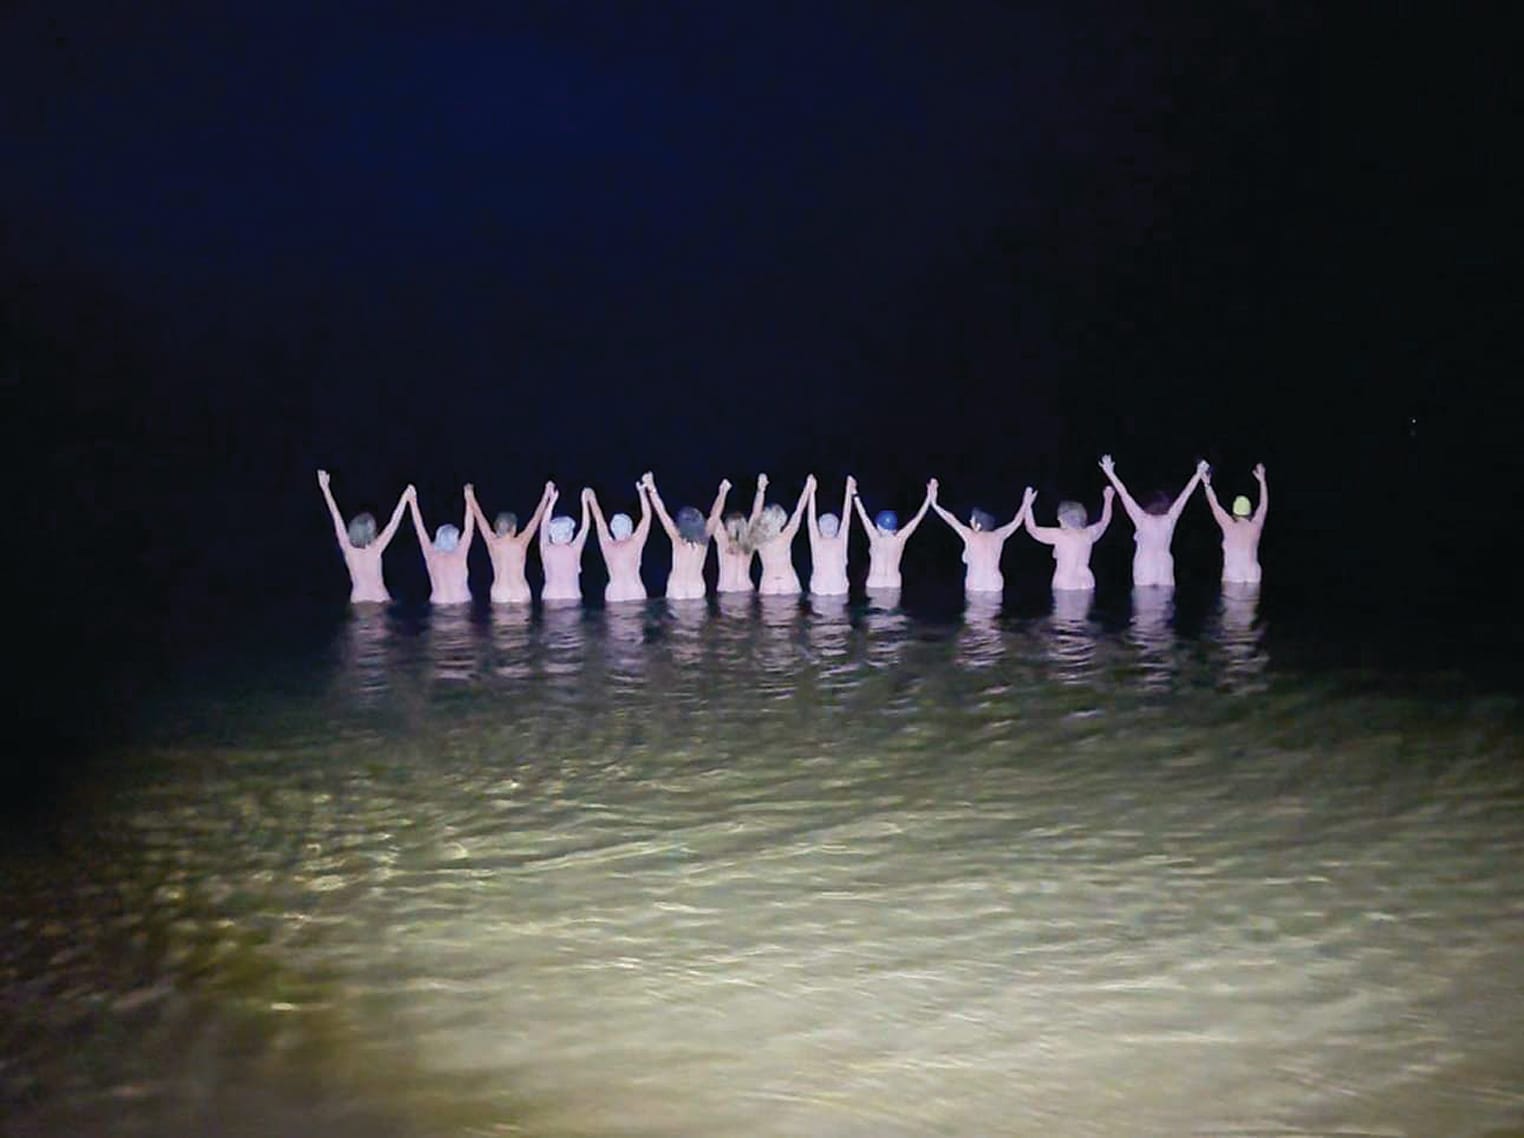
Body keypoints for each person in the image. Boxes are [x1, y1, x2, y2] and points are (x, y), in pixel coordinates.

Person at [1098, 455, 1207, 587]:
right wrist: (1199, 473)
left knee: (1144, 604)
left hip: (1144, 568)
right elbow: (1186, 494)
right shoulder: (1170, 520)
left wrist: (1110, 472)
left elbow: (1124, 494)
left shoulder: (1142, 520)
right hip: (1164, 568)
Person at [316, 470, 412, 604]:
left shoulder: (347, 549)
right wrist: (405, 498)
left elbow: (335, 515)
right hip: (380, 599)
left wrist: (325, 488)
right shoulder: (376, 549)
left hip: (358, 600)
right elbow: (393, 523)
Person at [932, 485, 1035, 595]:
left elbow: (951, 519)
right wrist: (1026, 502)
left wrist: (935, 503)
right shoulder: (998, 536)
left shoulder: (970, 536)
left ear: (978, 524)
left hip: (975, 585)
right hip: (995, 585)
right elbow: (1017, 521)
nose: (970, 520)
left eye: (972, 518)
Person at [643, 472, 730, 600]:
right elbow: (716, 514)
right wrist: (723, 492)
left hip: (676, 587)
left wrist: (651, 488)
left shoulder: (676, 538)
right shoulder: (704, 538)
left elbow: (662, 512)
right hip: (696, 587)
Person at [465, 480, 555, 604]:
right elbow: (536, 517)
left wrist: (470, 495)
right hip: (520, 592)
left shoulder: (492, 543)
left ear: (496, 528)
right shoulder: (521, 542)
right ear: (513, 528)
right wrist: (546, 494)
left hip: (500, 593)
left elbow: (479, 517)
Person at [1022, 485, 1114, 592]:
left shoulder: (1059, 535)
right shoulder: (1089, 533)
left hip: (1066, 581)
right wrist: (1108, 499)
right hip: (1087, 580)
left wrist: (1027, 504)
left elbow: (1031, 528)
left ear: (1061, 519)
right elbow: (1105, 521)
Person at [851, 477, 936, 591]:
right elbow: (918, 518)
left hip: (875, 581)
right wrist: (929, 497)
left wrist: (854, 493)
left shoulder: (875, 537)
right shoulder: (900, 538)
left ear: (879, 525)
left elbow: (863, 514)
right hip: (894, 582)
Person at [408, 484, 476, 605]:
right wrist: (469, 498)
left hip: (438, 604)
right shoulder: (460, 553)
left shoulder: (431, 554)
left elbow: (420, 527)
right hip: (462, 604)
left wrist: (412, 501)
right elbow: (469, 528)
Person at [587, 480, 653, 603]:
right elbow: (647, 516)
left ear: (612, 529)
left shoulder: (607, 545)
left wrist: (591, 499)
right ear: (630, 528)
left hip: (614, 593)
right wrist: (642, 492)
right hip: (635, 592)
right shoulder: (635, 542)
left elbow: (599, 519)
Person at [1203, 462, 1268, 584]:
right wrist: (1262, 481)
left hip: (1233, 574)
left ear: (1234, 511)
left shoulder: (1228, 525)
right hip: (1253, 574)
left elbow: (1215, 505)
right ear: (1250, 512)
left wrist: (1207, 484)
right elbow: (1263, 505)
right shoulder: (1256, 526)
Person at [753, 475, 815, 596]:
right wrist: (808, 488)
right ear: (782, 519)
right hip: (788, 581)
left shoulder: (759, 538)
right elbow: (799, 510)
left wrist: (761, 490)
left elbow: (755, 515)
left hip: (768, 583)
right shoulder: (786, 536)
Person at [715, 474, 768, 593]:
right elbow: (756, 515)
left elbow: (715, 516)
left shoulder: (724, 542)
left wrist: (722, 492)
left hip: (726, 589)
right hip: (746, 589)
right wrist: (761, 490)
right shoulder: (749, 543)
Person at [540, 486, 593, 602]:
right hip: (572, 596)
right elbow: (585, 527)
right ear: (569, 533)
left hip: (549, 597)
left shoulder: (546, 549)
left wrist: (551, 501)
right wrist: (584, 502)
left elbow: (543, 526)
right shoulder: (574, 549)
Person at [805, 475, 855, 597]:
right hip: (839, 590)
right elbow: (846, 516)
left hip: (819, 590)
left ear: (819, 528)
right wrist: (849, 490)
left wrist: (811, 492)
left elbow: (810, 519)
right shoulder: (841, 541)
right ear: (837, 527)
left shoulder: (816, 542)